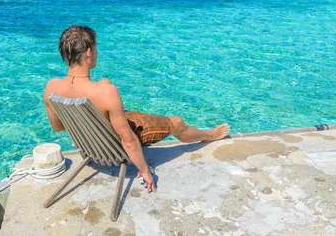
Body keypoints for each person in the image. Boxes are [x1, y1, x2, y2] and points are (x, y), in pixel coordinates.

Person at [43, 25, 230, 193]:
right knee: (177, 122)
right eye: (97, 47)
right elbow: (129, 141)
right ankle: (209, 135)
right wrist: (144, 170)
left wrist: (92, 123)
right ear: (89, 53)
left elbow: (58, 127)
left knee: (106, 83)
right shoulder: (106, 93)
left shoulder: (51, 88)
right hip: (114, 147)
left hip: (91, 144)